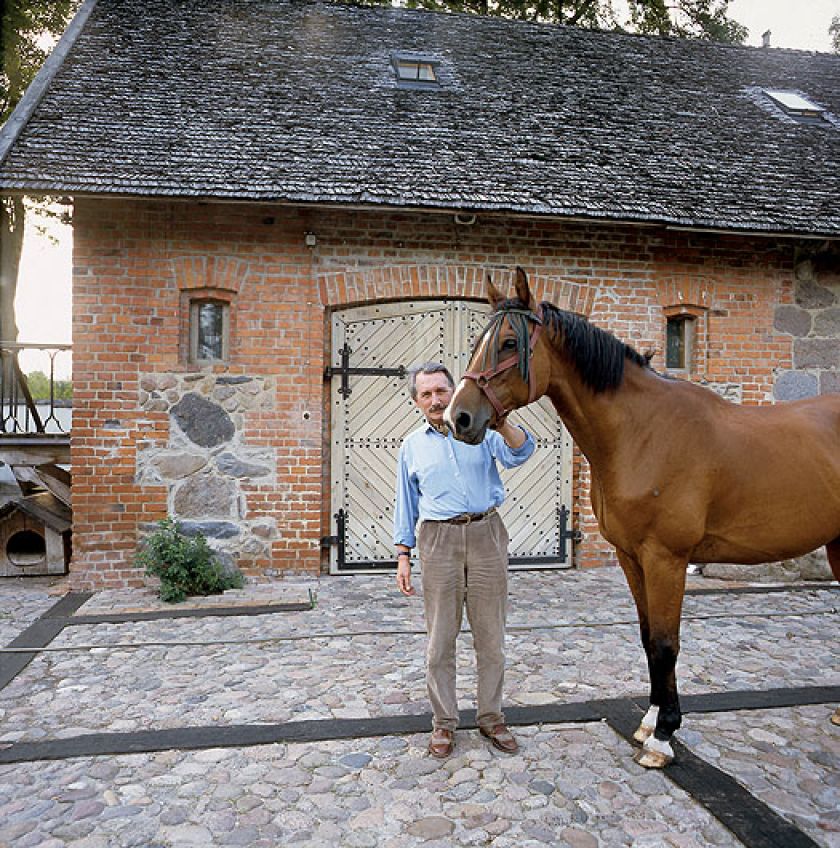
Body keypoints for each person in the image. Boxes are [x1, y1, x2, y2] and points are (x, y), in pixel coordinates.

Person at [394, 361, 536, 758]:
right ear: (417, 401)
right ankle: (443, 723)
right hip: (438, 540)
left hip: (486, 533)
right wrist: (403, 554)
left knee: (490, 637)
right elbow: (405, 504)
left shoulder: (480, 430)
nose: (435, 400)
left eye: (441, 390)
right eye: (426, 394)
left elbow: (522, 451)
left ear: (453, 390)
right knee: (440, 639)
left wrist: (503, 423)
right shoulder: (412, 446)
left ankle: (491, 717)